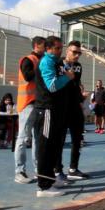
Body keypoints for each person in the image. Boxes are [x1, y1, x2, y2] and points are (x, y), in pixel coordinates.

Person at [33, 36, 75, 197]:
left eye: (61, 48)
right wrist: (67, 77)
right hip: (47, 110)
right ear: (48, 48)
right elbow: (52, 86)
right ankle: (43, 185)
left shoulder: (57, 62)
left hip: (57, 110)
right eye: (57, 48)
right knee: (46, 146)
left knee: (54, 146)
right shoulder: (47, 62)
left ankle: (50, 178)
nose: (60, 51)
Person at [13, 36, 46, 184]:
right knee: (23, 138)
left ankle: (39, 170)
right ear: (37, 45)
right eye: (44, 46)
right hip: (27, 104)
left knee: (38, 140)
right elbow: (27, 76)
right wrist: (41, 68)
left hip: (39, 104)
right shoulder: (28, 60)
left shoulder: (42, 60)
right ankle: (19, 171)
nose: (46, 48)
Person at [62, 40, 90, 180]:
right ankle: (57, 171)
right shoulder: (59, 64)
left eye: (79, 53)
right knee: (59, 140)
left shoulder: (78, 66)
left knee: (78, 138)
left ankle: (73, 169)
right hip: (61, 106)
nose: (77, 55)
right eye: (74, 52)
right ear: (67, 50)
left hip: (75, 106)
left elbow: (75, 84)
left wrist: (81, 98)